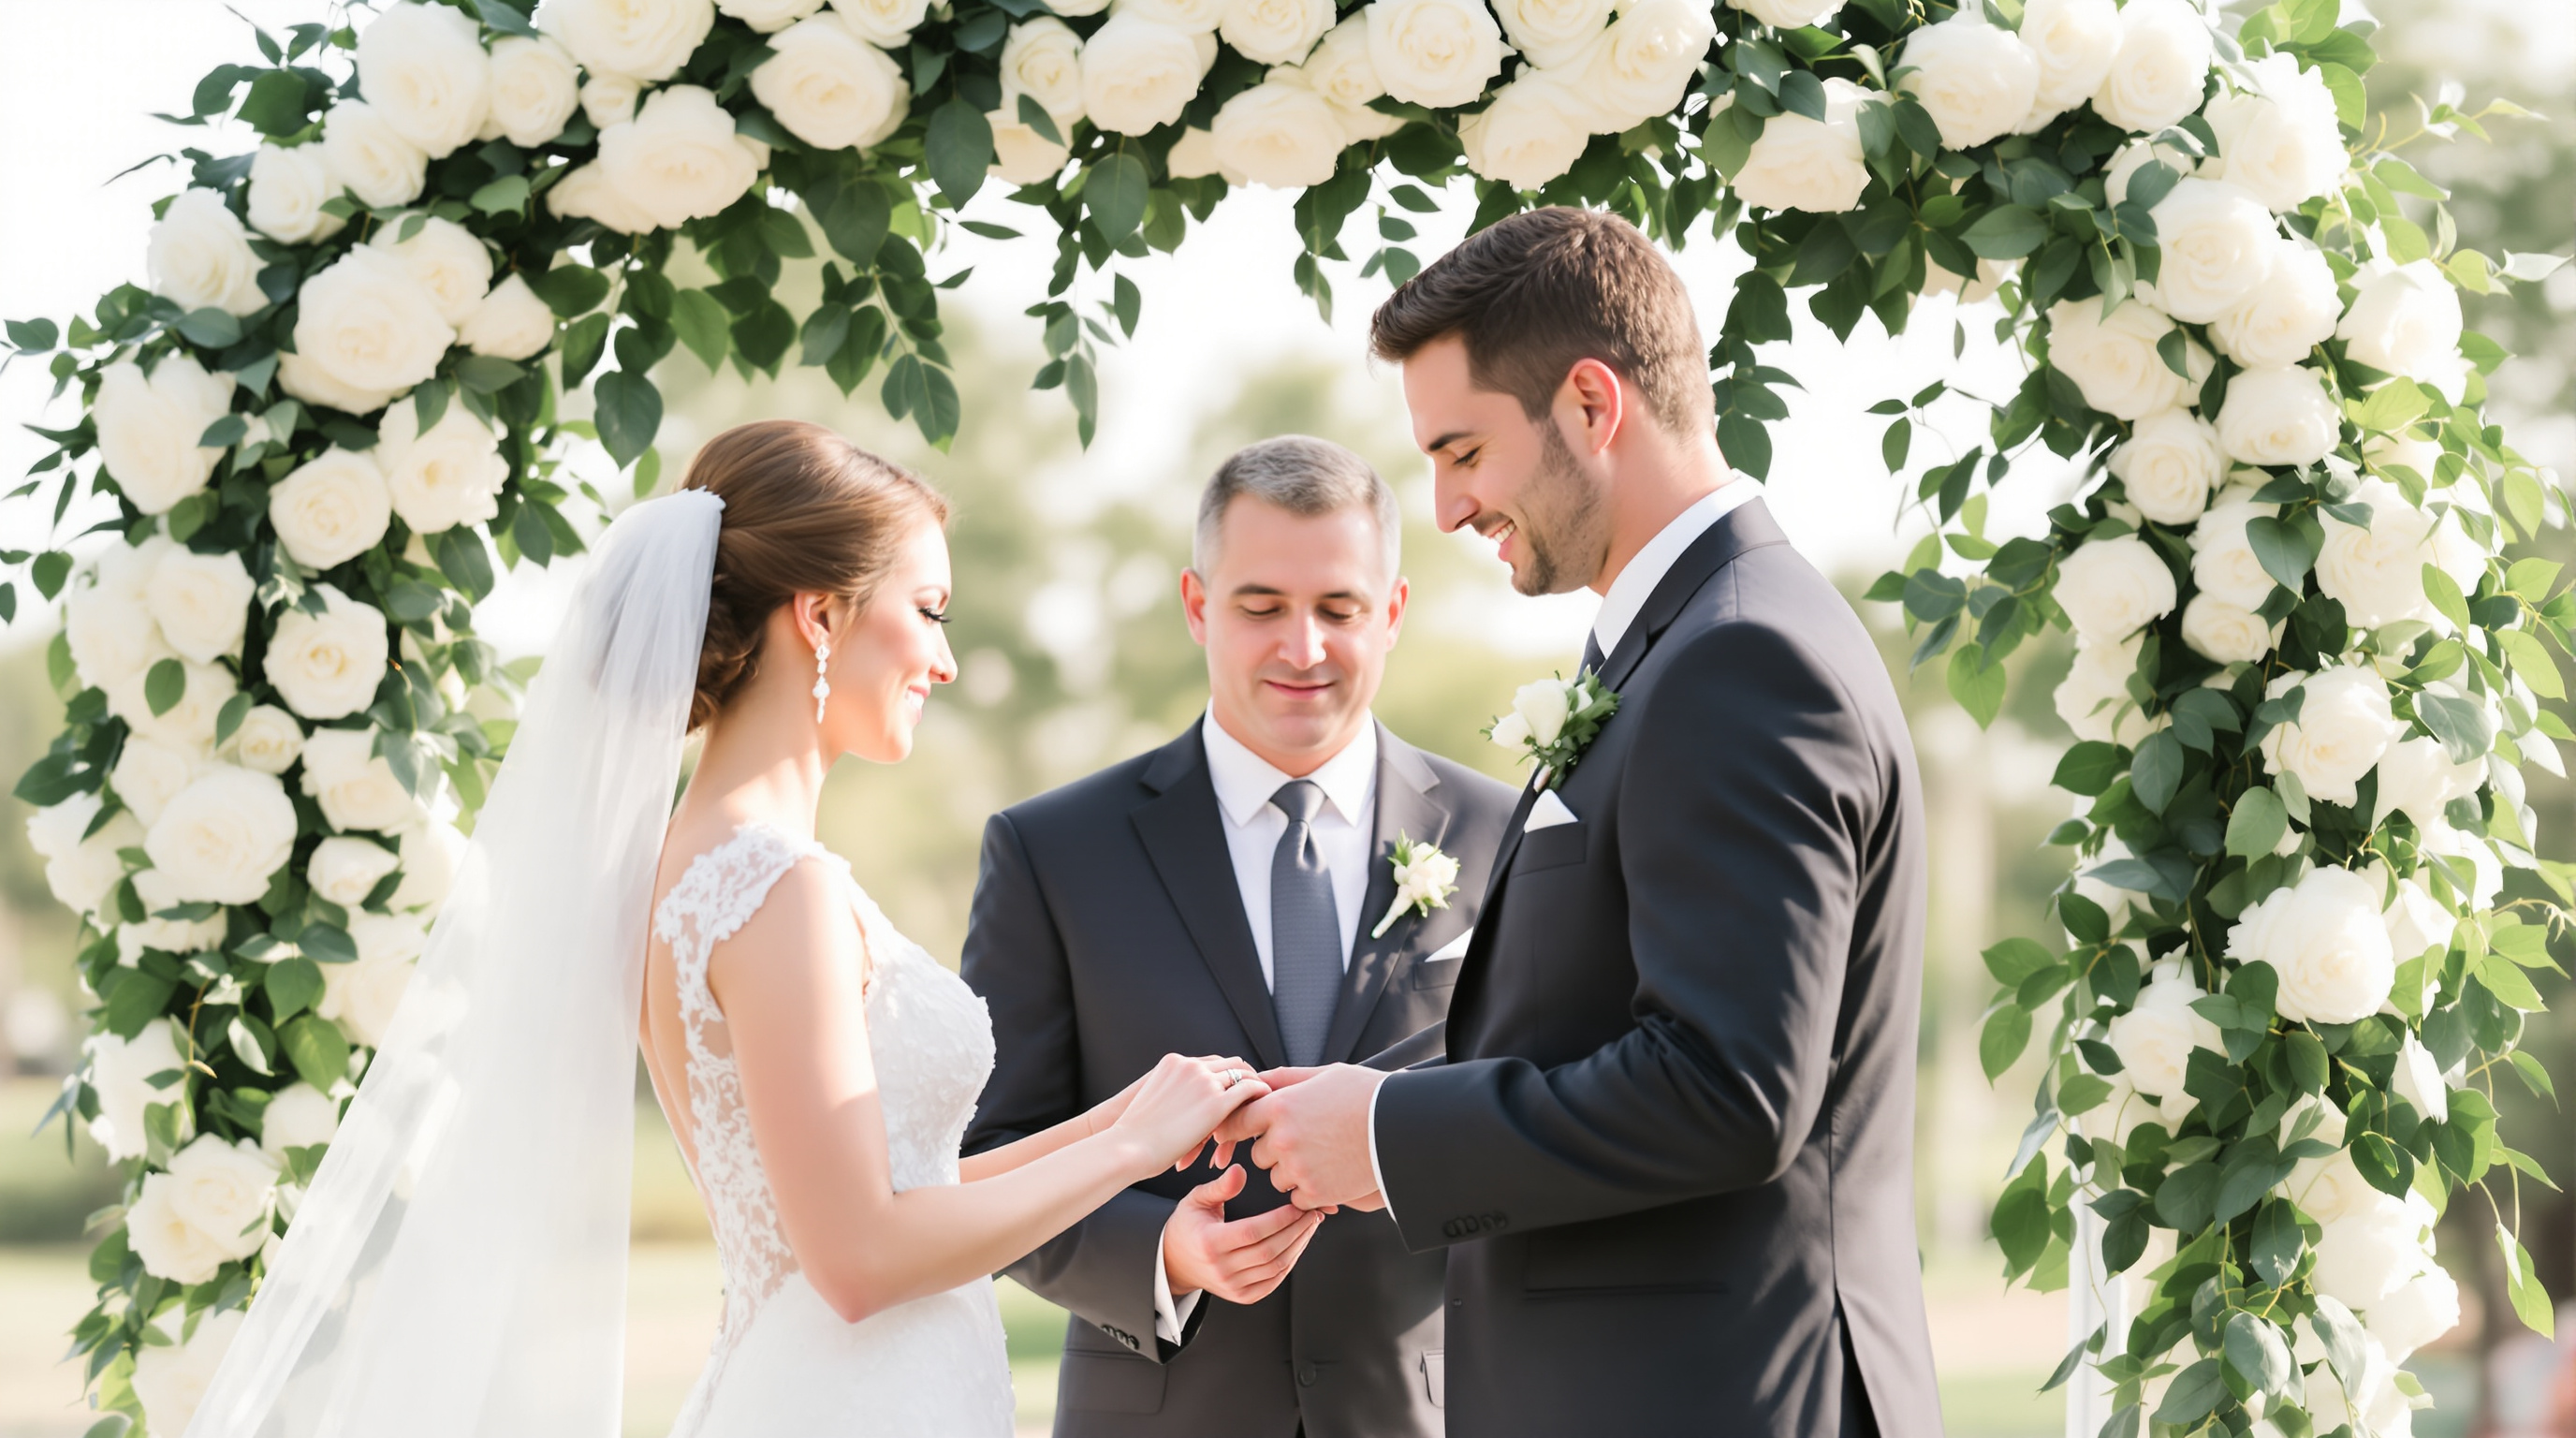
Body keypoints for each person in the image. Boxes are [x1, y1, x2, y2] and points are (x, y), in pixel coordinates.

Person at [181, 420, 1271, 1438]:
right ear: (820, 614)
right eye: (929, 610)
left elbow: (897, 1194)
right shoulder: (770, 886)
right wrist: (1128, 1149)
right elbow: (855, 1260)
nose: (942, 659)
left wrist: (1121, 1121)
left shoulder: (704, 863)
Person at [1218, 210, 1944, 1437]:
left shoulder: (1740, 659)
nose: (1445, 507)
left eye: (1464, 451)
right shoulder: (1685, 645)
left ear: (1592, 404)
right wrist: (1354, 1103)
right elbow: (1599, 1020)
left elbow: (1729, 1088)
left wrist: (1389, 1137)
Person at [960, 436, 1517, 1437]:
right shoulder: (1053, 852)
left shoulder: (1507, 838)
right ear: (1195, 606)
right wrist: (1159, 1252)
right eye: (1260, 607)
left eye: (1337, 609)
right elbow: (990, 1156)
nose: (1301, 647)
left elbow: (1542, 1111)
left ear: (1389, 614)